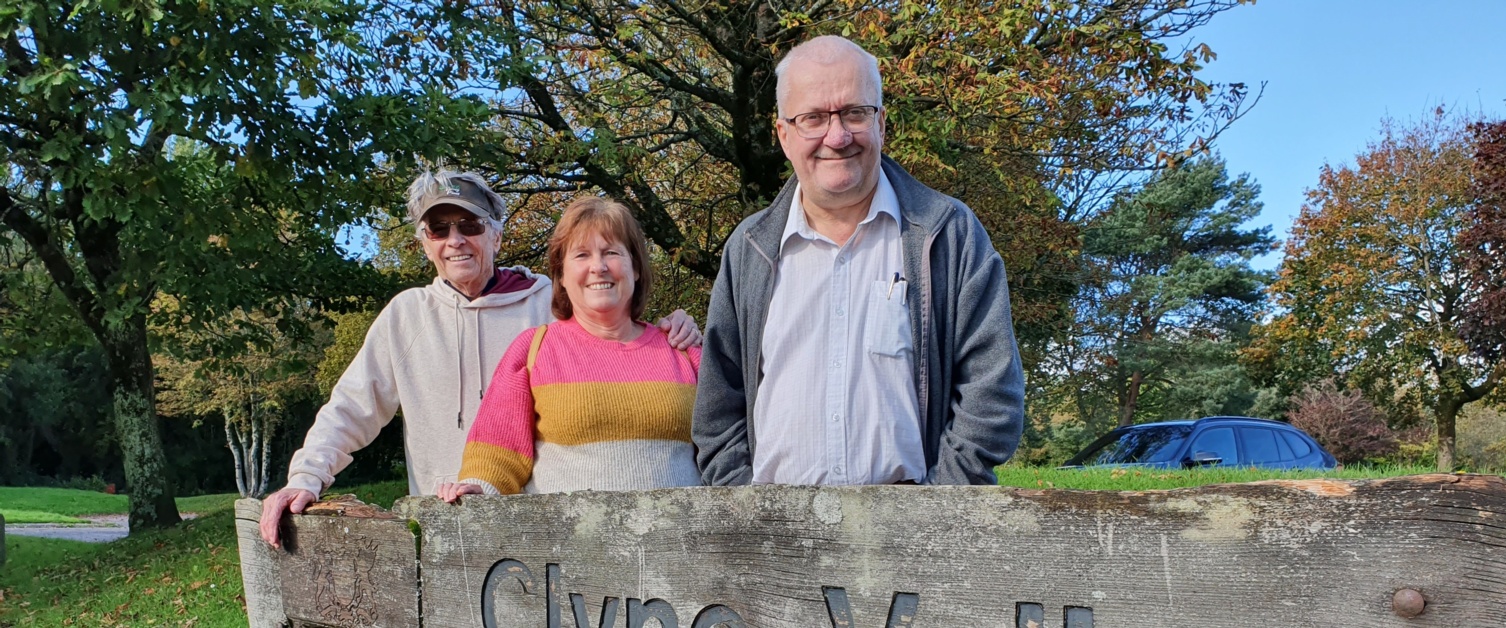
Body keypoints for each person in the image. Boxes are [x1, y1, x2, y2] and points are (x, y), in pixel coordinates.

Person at [261, 172, 699, 547]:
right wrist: (306, 477)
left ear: (496, 234)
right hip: (442, 523)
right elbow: (351, 408)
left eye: (469, 225)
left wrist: (674, 331)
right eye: (438, 230)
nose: (455, 241)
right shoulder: (405, 317)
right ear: (425, 244)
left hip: (537, 533)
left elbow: (616, 333)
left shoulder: (549, 302)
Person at [692, 36, 1024, 487]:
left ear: (881, 123)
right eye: (813, 118)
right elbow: (716, 407)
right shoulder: (749, 249)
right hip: (775, 537)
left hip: (914, 536)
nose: (837, 136)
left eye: (854, 113)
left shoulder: (949, 234)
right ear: (784, 135)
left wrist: (940, 511)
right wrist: (748, 511)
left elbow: (992, 391)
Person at [437, 196, 700, 500]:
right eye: (582, 255)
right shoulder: (533, 349)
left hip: (678, 541)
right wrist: (479, 486)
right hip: (566, 544)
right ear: (560, 274)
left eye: (611, 252)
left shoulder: (683, 349)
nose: (598, 267)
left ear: (636, 268)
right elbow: (498, 452)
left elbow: (723, 447)